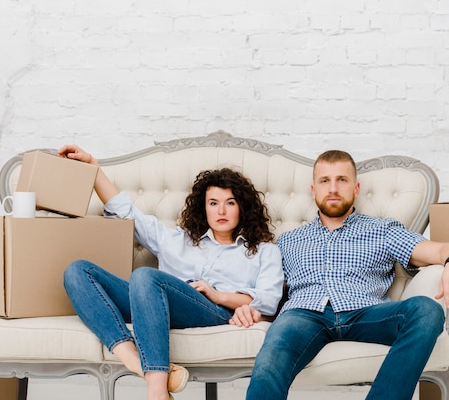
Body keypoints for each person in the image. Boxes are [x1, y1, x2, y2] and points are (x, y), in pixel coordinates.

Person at [229, 150, 449, 400]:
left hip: (365, 313)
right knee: (271, 359)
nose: (333, 188)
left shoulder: (382, 230)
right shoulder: (289, 240)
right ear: (314, 190)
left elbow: (445, 249)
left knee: (427, 310)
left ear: (355, 188)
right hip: (303, 315)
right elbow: (268, 289)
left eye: (341, 180)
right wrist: (249, 305)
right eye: (325, 181)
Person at [59, 144, 284, 400]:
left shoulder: (264, 251)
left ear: (242, 208)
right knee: (77, 271)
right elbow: (125, 211)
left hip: (212, 311)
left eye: (230, 203)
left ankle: (156, 391)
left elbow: (268, 300)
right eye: (213, 203)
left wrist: (219, 295)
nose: (221, 211)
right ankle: (135, 362)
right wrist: (94, 168)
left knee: (145, 276)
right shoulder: (177, 240)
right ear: (203, 207)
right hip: (153, 307)